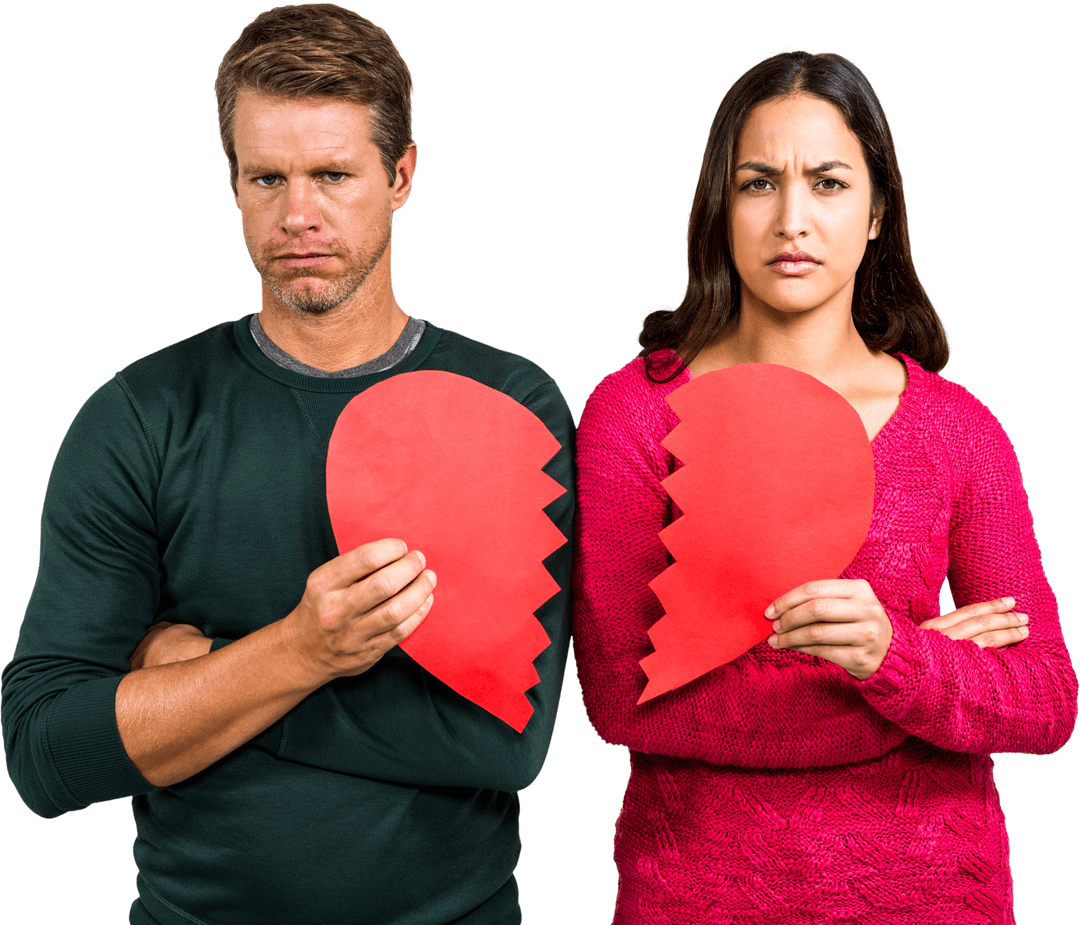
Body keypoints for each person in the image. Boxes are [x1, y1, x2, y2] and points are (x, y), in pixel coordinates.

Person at [1, 6, 573, 924]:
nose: (298, 214)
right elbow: (44, 754)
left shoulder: (507, 402)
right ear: (231, 181)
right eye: (266, 176)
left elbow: (502, 742)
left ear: (402, 176)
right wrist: (301, 649)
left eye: (334, 175)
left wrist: (204, 676)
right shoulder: (140, 417)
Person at [572, 50, 1076, 924]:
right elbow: (624, 698)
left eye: (830, 183)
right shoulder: (636, 415)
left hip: (936, 897)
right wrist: (898, 686)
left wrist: (895, 654)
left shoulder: (959, 429)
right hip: (697, 897)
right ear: (719, 209)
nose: (792, 219)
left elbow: (1044, 698)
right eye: (759, 183)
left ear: (879, 209)